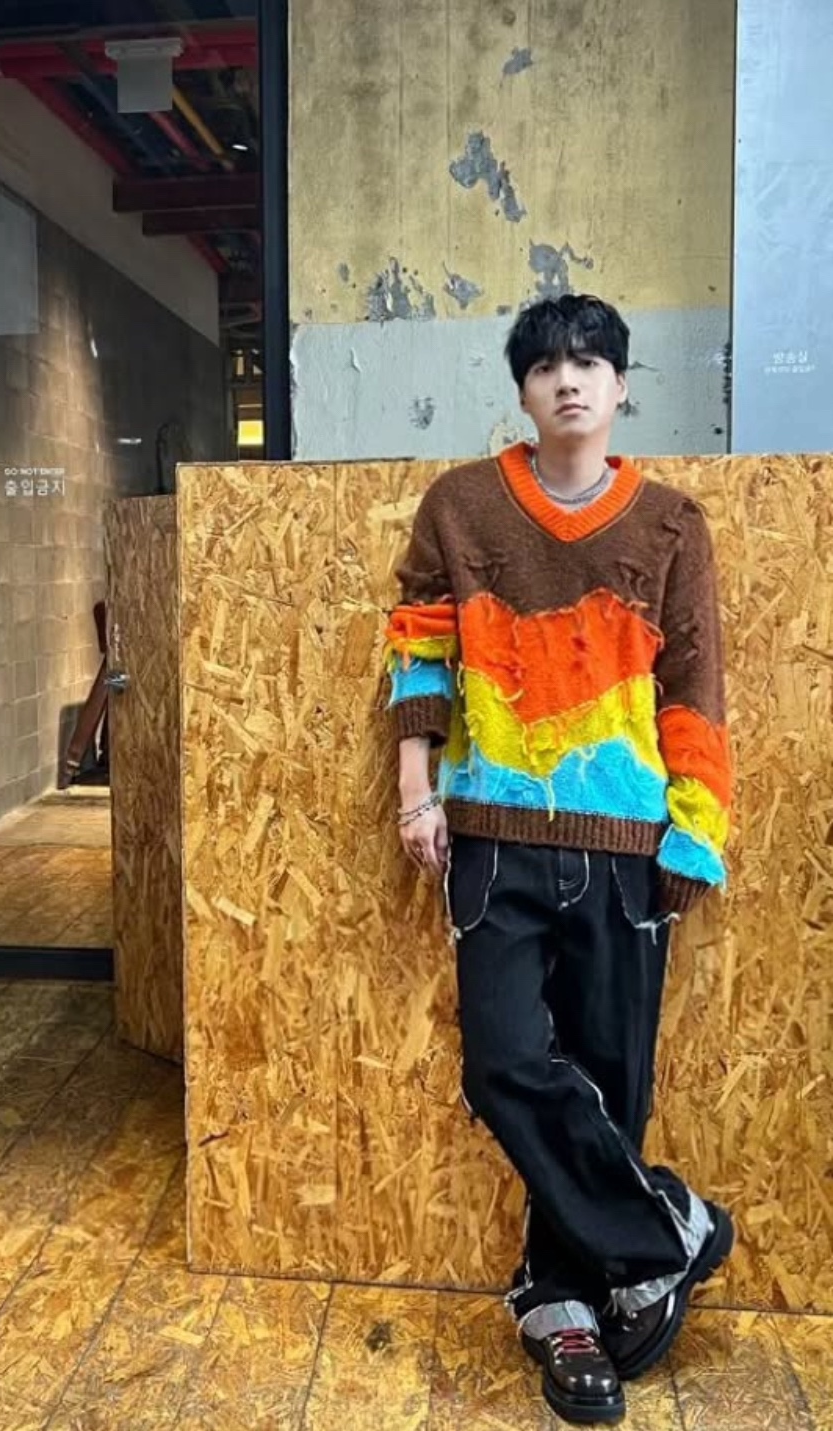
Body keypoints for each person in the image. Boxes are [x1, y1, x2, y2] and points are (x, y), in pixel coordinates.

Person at [383, 294, 734, 1427]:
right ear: (523, 389)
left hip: (630, 851)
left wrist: (696, 827)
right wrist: (415, 790)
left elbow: (695, 685)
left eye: (589, 363)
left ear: (622, 385)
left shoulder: (671, 524)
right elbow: (419, 646)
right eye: (546, 366)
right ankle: (666, 1230)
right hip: (493, 841)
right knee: (503, 1065)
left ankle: (563, 1304)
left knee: (611, 1084)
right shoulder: (460, 506)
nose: (568, 380)